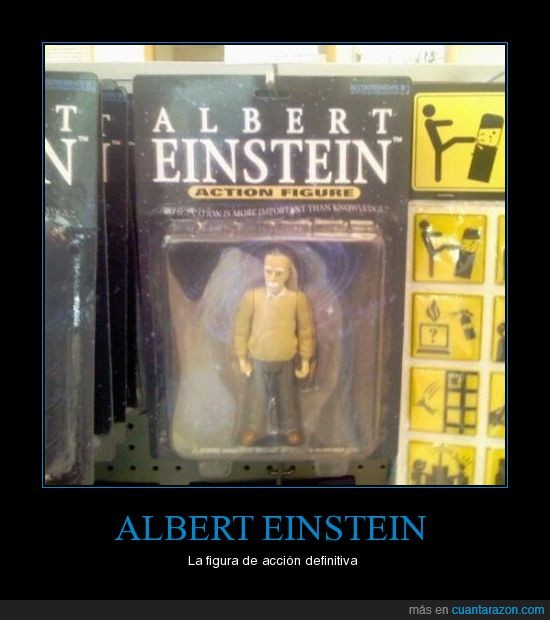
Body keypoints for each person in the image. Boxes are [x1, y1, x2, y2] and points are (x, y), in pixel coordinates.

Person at [233, 251, 316, 446]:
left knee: (287, 395)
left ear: (288, 274)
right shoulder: (252, 297)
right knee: (258, 396)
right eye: (268, 271)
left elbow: (305, 330)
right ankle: (254, 427)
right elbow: (241, 328)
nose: (272, 277)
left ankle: (291, 428)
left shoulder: (297, 299)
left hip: (286, 358)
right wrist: (241, 357)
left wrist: (305, 359)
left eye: (279, 273)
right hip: (259, 358)